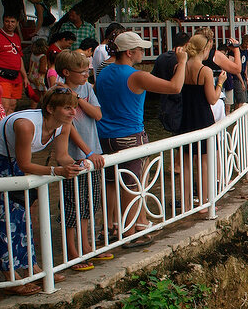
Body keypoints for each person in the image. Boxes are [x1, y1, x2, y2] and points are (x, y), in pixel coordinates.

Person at [0, 88, 104, 295]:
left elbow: (62, 156)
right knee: (2, 220)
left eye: (74, 107)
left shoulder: (63, 124)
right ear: (51, 109)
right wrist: (56, 171)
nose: (73, 112)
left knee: (23, 217)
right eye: (67, 107)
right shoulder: (25, 125)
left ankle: (33, 269)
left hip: (12, 161)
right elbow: (26, 164)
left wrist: (77, 165)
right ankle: (11, 277)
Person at [95, 31, 187, 242]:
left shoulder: (104, 72)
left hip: (105, 135)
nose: (143, 54)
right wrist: (181, 62)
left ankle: (112, 226)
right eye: (140, 50)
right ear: (129, 52)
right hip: (129, 135)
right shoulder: (136, 76)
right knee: (131, 184)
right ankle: (130, 232)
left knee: (111, 182)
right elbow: (175, 87)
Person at [55, 50, 110, 269]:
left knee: (89, 202)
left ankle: (86, 245)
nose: (86, 75)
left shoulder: (86, 89)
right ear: (67, 72)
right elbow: (69, 128)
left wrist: (77, 98)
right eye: (81, 72)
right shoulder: (58, 93)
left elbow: (97, 115)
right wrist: (87, 152)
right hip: (73, 155)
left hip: (92, 152)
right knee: (72, 204)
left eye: (87, 71)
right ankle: (72, 251)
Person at [176, 34, 225, 213]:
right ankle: (203, 202)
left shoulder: (179, 66)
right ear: (204, 49)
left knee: (187, 163)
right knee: (204, 162)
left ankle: (186, 204)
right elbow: (212, 99)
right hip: (202, 118)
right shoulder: (204, 70)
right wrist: (220, 83)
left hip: (185, 118)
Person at [153, 31, 192, 134]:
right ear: (187, 44)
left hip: (163, 102)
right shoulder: (182, 61)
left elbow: (154, 77)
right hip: (178, 102)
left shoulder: (161, 58)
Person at [0, 14, 25, 114]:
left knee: (12, 105)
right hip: (1, 75)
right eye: (7, 21)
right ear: (3, 22)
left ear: (17, 23)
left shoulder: (16, 37)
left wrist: (25, 76)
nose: (9, 24)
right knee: (4, 106)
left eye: (12, 22)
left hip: (16, 77)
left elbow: (19, 58)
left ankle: (7, 128)